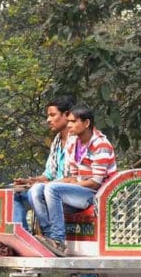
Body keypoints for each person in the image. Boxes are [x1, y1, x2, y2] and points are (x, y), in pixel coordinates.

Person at [33, 104, 117, 257]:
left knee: (52, 189)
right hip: (79, 191)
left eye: (73, 121)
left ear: (86, 123)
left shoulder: (100, 144)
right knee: (37, 189)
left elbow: (95, 182)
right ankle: (48, 236)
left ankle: (58, 240)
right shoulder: (73, 143)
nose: (69, 125)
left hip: (96, 195)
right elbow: (72, 176)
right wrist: (52, 183)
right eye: (69, 121)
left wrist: (67, 184)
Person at [12, 96, 74, 231]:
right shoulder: (57, 141)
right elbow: (49, 174)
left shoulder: (78, 141)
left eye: (53, 115)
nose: (48, 120)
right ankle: (24, 236)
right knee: (14, 195)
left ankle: (49, 233)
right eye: (48, 116)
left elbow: (77, 179)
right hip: (49, 188)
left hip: (66, 192)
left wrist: (44, 184)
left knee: (38, 191)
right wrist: (31, 181)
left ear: (67, 115)